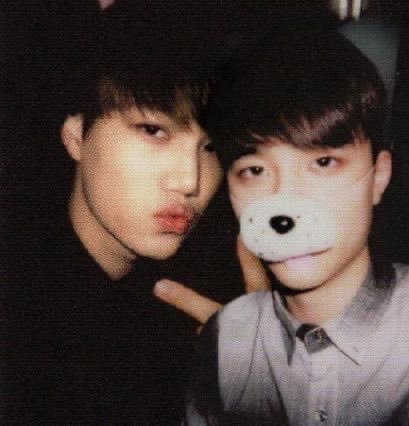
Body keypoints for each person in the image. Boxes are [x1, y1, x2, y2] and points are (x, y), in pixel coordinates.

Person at [1, 1, 253, 423]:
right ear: (76, 136)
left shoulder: (202, 300)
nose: (189, 180)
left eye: (210, 147)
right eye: (154, 131)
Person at [184, 27, 409, 425]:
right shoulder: (224, 341)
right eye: (254, 170)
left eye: (323, 163)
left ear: (379, 176)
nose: (285, 206)